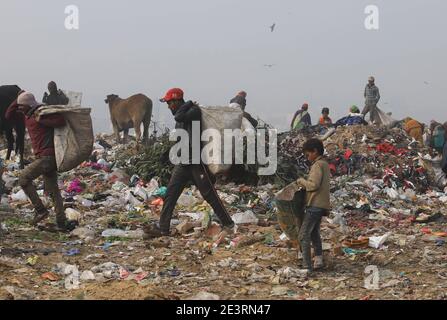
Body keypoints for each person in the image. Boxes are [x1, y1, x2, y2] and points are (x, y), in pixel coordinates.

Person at [144, 88, 235, 238]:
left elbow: (179, 116)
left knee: (209, 194)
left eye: (169, 103)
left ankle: (228, 223)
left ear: (177, 101)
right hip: (183, 163)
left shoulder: (193, 112)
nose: (168, 107)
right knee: (170, 195)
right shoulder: (182, 116)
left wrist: (188, 103)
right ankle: (163, 228)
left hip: (196, 162)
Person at [5, 92, 76, 232]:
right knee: (53, 191)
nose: (20, 109)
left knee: (23, 178)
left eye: (22, 106)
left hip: (47, 157)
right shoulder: (27, 115)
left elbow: (61, 121)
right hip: (43, 158)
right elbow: (8, 115)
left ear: (28, 105)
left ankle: (40, 210)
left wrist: (42, 120)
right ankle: (61, 222)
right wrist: (17, 97)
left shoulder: (41, 114)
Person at [295, 138, 330, 273]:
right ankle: (319, 260)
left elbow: (313, 185)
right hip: (322, 205)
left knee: (303, 235)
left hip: (314, 204)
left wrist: (301, 181)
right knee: (314, 233)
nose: (307, 158)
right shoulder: (325, 164)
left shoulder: (317, 165)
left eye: (308, 154)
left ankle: (307, 266)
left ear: (315, 151)